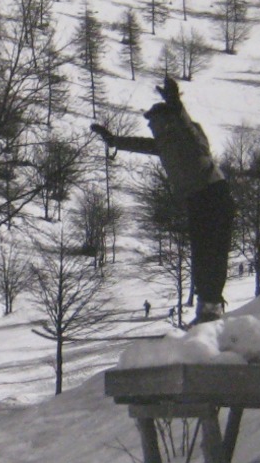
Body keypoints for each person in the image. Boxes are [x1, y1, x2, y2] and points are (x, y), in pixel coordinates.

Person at [93, 77, 233, 325]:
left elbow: (186, 126)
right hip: (196, 197)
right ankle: (207, 309)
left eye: (155, 124)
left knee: (212, 251)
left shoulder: (190, 136)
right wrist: (114, 141)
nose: (153, 130)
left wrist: (176, 103)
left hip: (213, 193)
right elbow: (142, 145)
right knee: (201, 253)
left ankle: (211, 306)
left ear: (167, 122)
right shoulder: (165, 143)